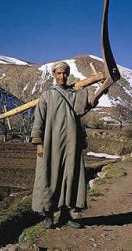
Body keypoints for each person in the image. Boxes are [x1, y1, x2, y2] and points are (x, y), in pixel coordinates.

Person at [31, 61, 105, 229]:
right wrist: (38, 142)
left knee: (70, 176)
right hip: (51, 144)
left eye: (65, 73)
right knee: (48, 177)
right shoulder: (47, 96)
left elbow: (86, 107)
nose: (62, 76)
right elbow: (38, 121)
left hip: (72, 143)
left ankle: (66, 215)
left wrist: (102, 88)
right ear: (54, 75)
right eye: (58, 73)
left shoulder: (75, 94)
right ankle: (48, 215)